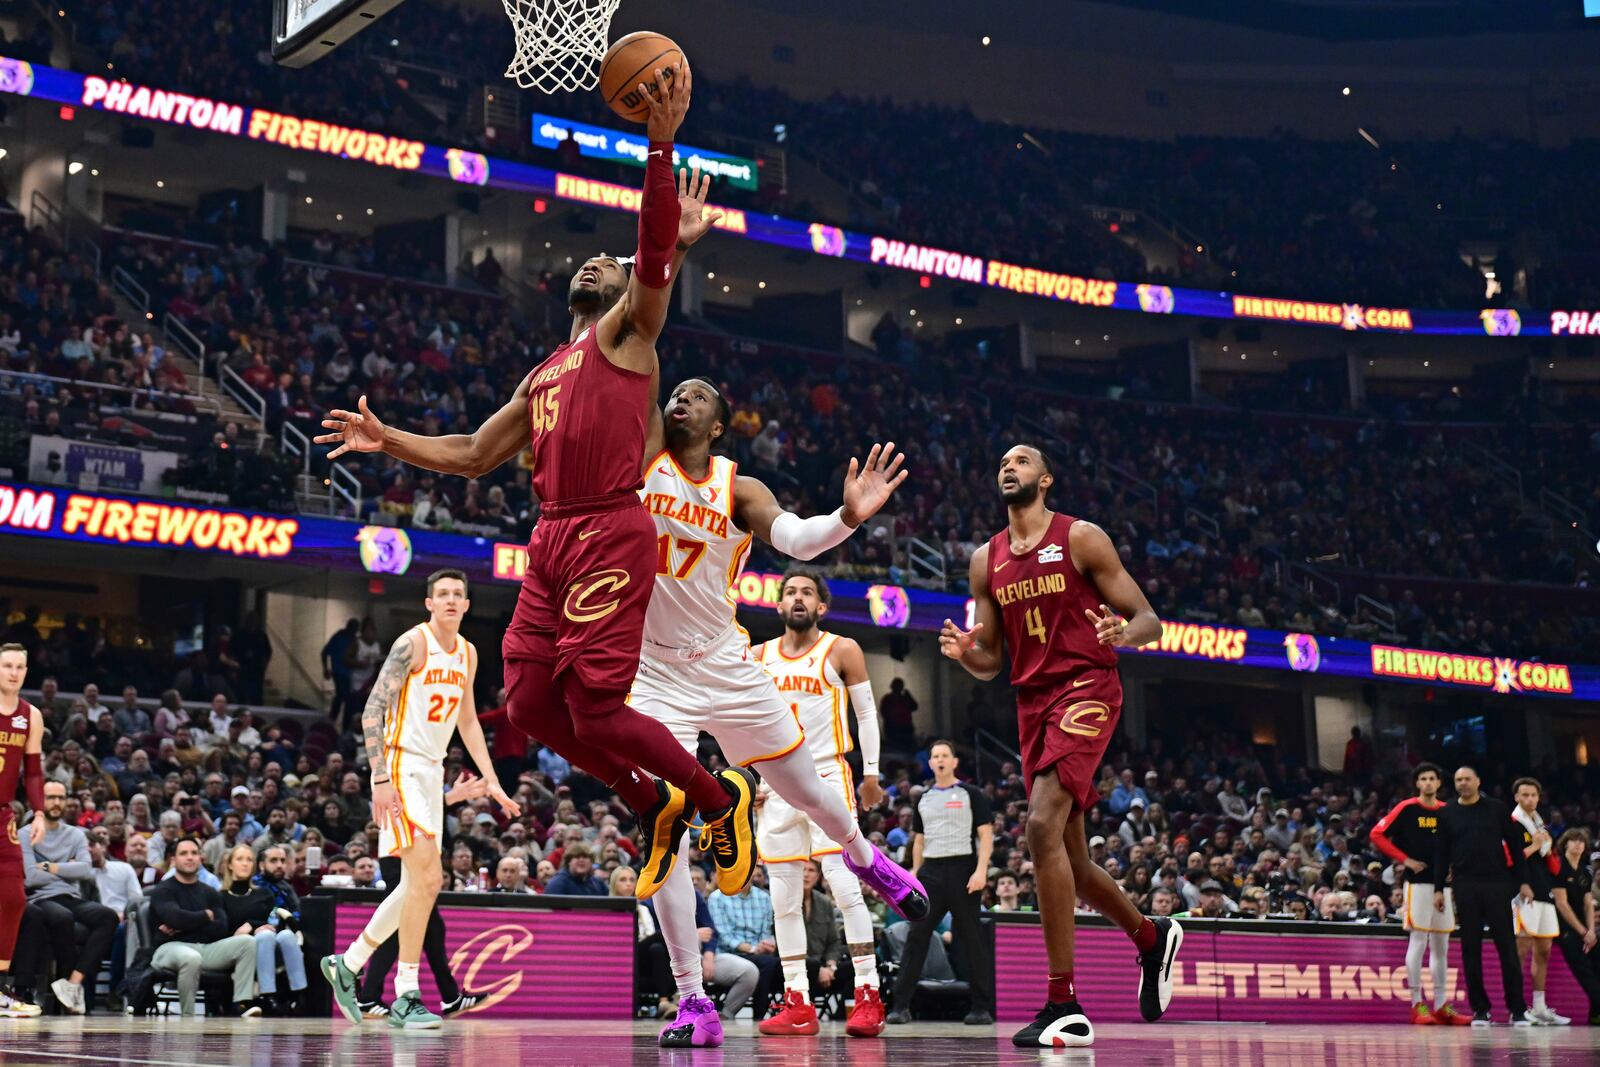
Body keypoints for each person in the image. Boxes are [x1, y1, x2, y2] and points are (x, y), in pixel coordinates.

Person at [315, 61, 755, 904]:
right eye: (589, 260)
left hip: (610, 529)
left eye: (608, 260)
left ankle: (714, 795)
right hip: (551, 536)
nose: (594, 262)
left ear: (628, 287)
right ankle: (652, 799)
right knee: (529, 707)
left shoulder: (630, 334)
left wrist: (659, 152)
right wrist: (387, 439)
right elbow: (474, 454)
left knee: (594, 711)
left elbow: (655, 253)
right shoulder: (545, 369)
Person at [630, 376, 921, 1051]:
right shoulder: (645, 458)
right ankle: (693, 999)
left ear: (720, 423)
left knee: (806, 787)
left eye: (697, 397)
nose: (681, 400)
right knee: (664, 826)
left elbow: (797, 538)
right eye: (674, 393)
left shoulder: (738, 485)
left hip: (725, 664)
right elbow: (635, 354)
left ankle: (865, 856)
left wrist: (847, 517)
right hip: (654, 671)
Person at [939, 445, 1181, 1048]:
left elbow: (1150, 619)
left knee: (1040, 829)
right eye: (1001, 461)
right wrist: (968, 657)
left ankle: (1062, 1003)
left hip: (1087, 687)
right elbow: (994, 658)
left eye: (1021, 461)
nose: (1008, 466)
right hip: (1031, 703)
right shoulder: (984, 560)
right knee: (1071, 861)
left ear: (1044, 479)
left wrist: (1124, 632)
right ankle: (1151, 937)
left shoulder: (1081, 538)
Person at [321, 569, 520, 1031]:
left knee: (417, 885)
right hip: (401, 764)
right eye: (442, 595)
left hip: (432, 771)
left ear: (467, 605)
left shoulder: (468, 653)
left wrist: (491, 781)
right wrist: (378, 777)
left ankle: (348, 965)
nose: (451, 600)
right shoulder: (412, 644)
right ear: (429, 604)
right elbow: (372, 710)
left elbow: (468, 723)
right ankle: (405, 993)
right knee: (428, 879)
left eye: (458, 594)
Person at [752, 568, 893, 1039]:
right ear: (778, 605)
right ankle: (797, 1001)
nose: (798, 598)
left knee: (844, 885)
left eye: (807, 592)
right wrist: (750, 774)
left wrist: (871, 772)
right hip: (775, 782)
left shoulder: (842, 649)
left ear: (821, 606)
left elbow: (867, 713)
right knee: (784, 898)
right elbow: (743, 720)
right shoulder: (757, 656)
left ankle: (868, 993)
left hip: (828, 773)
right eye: (790, 591)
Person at [355, 772, 490, 1020]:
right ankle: (367, 996)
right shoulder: (399, 760)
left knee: (433, 930)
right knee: (398, 928)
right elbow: (409, 806)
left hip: (408, 848)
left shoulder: (417, 762)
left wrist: (449, 797)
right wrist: (451, 797)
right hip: (401, 851)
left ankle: (450, 997)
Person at [887, 739, 995, 1026]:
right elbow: (919, 840)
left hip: (964, 869)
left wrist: (981, 870)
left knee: (971, 938)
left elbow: (985, 835)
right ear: (931, 762)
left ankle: (981, 1007)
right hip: (931, 873)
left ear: (954, 761)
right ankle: (900, 1006)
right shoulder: (923, 797)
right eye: (935, 756)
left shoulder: (972, 794)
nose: (940, 760)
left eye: (945, 755)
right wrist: (914, 874)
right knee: (916, 936)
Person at [1369, 762, 1472, 1026]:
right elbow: (1377, 834)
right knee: (1419, 941)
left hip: (1443, 887)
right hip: (1417, 885)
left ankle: (1441, 1006)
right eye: (1423, 778)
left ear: (1439, 784)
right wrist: (1406, 860)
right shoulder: (1407, 808)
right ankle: (1416, 1004)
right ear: (1417, 783)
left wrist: (1454, 866)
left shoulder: (1448, 811)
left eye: (1432, 779)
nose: (1427, 783)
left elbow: (1460, 843)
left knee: (1442, 947)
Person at [1432, 765, 1532, 1026]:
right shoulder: (1447, 813)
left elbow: (1515, 846)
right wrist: (1438, 889)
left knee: (1507, 947)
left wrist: (1522, 882)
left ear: (1478, 781)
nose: (1463, 783)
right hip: (1464, 885)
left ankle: (1517, 1009)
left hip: (1497, 884)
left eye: (1467, 779)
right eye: (1458, 780)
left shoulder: (1497, 809)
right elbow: (1441, 854)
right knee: (1470, 948)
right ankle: (1480, 1009)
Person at [22, 778, 118, 1015]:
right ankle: (63, 981)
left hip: (70, 897)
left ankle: (72, 983)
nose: (56, 803)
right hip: (39, 899)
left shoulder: (76, 835)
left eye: (61, 798)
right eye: (50, 797)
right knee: (63, 917)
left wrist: (48, 866)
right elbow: (30, 878)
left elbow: (85, 870)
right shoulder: (25, 834)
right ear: (38, 801)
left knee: (109, 916)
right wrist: (67, 868)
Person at [147, 837, 259, 1017]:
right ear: (173, 860)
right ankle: (188, 1015)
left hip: (204, 948)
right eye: (184, 853)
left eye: (194, 853)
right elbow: (174, 918)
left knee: (246, 942)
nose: (190, 857)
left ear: (201, 858)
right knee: (191, 958)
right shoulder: (163, 890)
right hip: (169, 948)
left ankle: (241, 1004)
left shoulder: (210, 892)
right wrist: (205, 916)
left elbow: (221, 928)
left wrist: (184, 924)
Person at [0, 644, 44, 1017]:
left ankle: (0, 989)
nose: (13, 673)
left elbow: (32, 771)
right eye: (6, 666)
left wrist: (41, 812)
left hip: (3, 818)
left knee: (14, 898)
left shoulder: (31, 716)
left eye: (19, 667)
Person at [218, 844, 305, 1015]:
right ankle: (268, 995)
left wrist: (252, 924)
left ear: (254, 865)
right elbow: (222, 927)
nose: (245, 864)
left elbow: (273, 919)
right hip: (238, 944)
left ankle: (299, 995)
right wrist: (256, 927)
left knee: (286, 935)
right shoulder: (220, 895)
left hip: (267, 939)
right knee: (265, 936)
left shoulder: (264, 893)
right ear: (229, 864)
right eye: (240, 859)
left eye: (249, 859)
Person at [1510, 777, 1568, 1025]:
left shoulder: (1539, 825)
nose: (1529, 799)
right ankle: (1515, 1008)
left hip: (1544, 891)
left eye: (1533, 795)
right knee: (1520, 951)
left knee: (1543, 951)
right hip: (1524, 892)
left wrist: (1547, 846)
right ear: (1516, 797)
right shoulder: (1511, 824)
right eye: (1524, 795)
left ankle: (1539, 1007)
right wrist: (1535, 847)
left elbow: (1552, 865)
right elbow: (1507, 859)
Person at [1551, 829, 1600, 1025]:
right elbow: (1561, 904)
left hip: (1585, 929)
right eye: (1573, 840)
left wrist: (1590, 932)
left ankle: (1595, 1014)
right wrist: (1582, 932)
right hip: (1565, 928)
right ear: (1565, 844)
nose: (1578, 844)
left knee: (1597, 963)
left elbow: (1588, 903)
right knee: (1584, 969)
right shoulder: (1558, 867)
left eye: (1581, 841)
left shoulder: (1585, 872)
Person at [321, 619, 360, 729]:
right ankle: (333, 720)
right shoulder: (339, 637)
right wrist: (326, 668)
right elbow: (324, 652)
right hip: (339, 672)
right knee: (342, 695)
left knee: (347, 699)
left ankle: (343, 725)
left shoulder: (354, 640)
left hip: (350, 675)